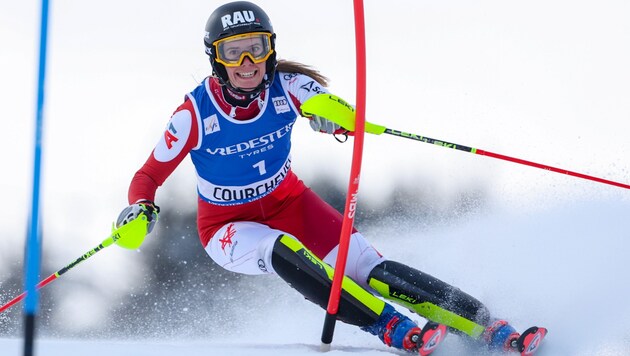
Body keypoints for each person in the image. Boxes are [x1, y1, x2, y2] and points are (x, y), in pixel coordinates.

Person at [116, 1, 546, 355]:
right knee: (281, 248)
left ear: (271, 49)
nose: (247, 62)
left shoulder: (287, 85)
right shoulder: (195, 114)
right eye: (234, 52)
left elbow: (328, 104)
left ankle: (489, 329)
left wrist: (335, 118)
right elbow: (149, 174)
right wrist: (140, 207)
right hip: (227, 228)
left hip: (290, 202)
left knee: (368, 268)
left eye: (257, 48)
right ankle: (392, 328)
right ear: (216, 58)